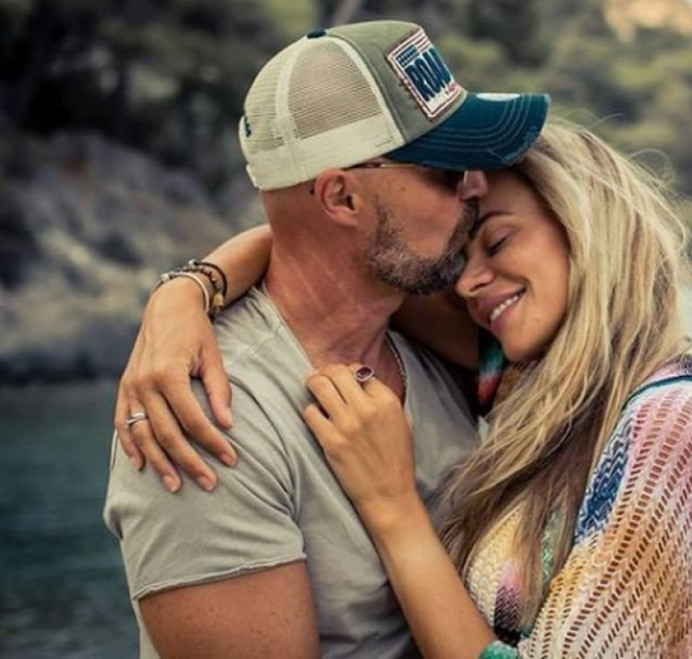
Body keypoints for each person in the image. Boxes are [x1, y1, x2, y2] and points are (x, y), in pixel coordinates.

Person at [111, 119, 692, 657]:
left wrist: (394, 509)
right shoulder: (536, 390)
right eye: (463, 256)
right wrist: (187, 292)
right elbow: (320, 262)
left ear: (588, 230)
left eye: (498, 239)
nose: (469, 283)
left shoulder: (672, 427)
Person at [103, 18, 550, 659]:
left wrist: (190, 286)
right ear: (342, 198)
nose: (475, 185)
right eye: (446, 171)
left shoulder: (440, 325)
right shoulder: (206, 419)